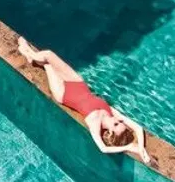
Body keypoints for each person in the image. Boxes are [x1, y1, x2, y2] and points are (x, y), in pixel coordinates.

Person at [18, 37, 150, 163]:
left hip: (64, 93)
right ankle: (30, 54)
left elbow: (103, 148)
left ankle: (26, 51)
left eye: (116, 124)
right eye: (120, 123)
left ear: (109, 132)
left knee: (47, 64)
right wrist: (142, 149)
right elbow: (138, 127)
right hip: (77, 82)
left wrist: (128, 148)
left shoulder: (95, 123)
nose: (117, 120)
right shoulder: (112, 113)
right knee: (48, 54)